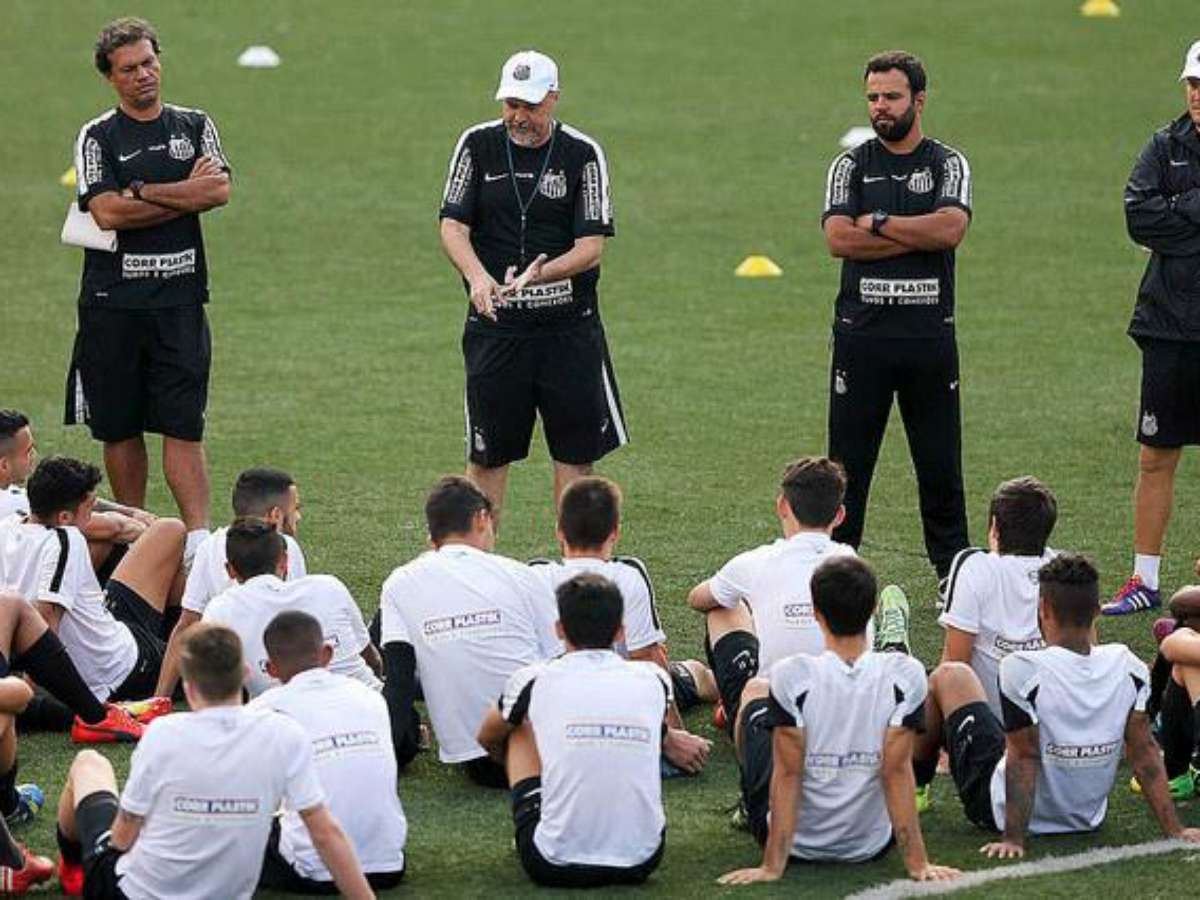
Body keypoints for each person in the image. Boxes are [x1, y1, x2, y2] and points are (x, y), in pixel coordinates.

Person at [66, 17, 232, 556]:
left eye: (149, 62)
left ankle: (199, 541)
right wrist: (181, 192)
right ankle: (136, 534)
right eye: (130, 68)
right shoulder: (98, 136)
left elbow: (218, 191)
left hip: (180, 301)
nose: (144, 75)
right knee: (120, 426)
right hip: (112, 304)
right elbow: (108, 211)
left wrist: (144, 189)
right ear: (111, 78)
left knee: (185, 425)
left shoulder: (193, 125)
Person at [52, 623, 374, 899]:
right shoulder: (283, 733)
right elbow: (325, 832)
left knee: (89, 763)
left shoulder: (163, 734)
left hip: (134, 891)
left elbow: (125, 832)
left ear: (188, 688)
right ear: (245, 673)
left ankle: (72, 867)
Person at [439, 49, 624, 519]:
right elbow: (452, 226)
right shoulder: (476, 145)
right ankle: (476, 570)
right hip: (497, 331)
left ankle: (573, 574)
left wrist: (540, 273)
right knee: (487, 458)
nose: (519, 117)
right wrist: (477, 277)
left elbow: (591, 247)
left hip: (568, 333)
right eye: (511, 105)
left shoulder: (582, 154)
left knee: (575, 461)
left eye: (530, 106)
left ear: (554, 98)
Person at [912, 554, 1200, 857]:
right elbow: (1144, 752)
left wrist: (1013, 839)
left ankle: (916, 787)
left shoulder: (1021, 668)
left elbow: (1023, 756)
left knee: (948, 676)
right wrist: (1175, 830)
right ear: (1097, 611)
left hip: (997, 809)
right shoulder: (1128, 666)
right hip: (1085, 817)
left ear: (1043, 609)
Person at [821, 50, 972, 580]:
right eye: (873, 98)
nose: (880, 108)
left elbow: (950, 230)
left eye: (891, 97)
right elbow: (839, 239)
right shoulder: (851, 165)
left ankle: (951, 578)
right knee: (847, 471)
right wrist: (915, 235)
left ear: (919, 100)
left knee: (939, 468)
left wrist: (880, 222)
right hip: (861, 341)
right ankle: (839, 574)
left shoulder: (947, 164)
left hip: (928, 340)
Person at [718, 556, 958, 885]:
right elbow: (896, 770)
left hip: (798, 847)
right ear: (874, 609)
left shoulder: (792, 676)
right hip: (870, 845)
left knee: (754, 693)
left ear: (816, 613)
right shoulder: (905, 674)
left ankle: (748, 807)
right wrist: (919, 864)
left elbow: (788, 773)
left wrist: (772, 867)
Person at [477, 574, 670, 887]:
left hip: (551, 862)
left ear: (559, 630)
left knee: (517, 728)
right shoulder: (655, 678)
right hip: (643, 859)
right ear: (621, 631)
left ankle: (542, 809)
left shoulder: (534, 678)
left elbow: (486, 735)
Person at [378, 475, 560, 783]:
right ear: (482, 518)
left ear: (431, 535)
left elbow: (398, 680)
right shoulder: (521, 575)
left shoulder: (399, 583)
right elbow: (565, 660)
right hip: (547, 748)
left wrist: (384, 753)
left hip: (480, 764)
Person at [687, 457, 882, 732]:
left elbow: (698, 598)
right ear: (839, 515)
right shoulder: (854, 563)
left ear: (782, 506)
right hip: (849, 720)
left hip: (772, 722)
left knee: (723, 606)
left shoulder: (756, 562)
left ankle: (736, 706)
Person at [1107, 40, 1200, 615]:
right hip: (1168, 327)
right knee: (1155, 455)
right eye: (1193, 85)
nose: (1198, 95)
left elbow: (1160, 222)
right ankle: (1144, 579)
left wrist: (1179, 212)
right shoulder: (1164, 146)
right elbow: (1138, 215)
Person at [529, 476, 717, 719]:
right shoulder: (628, 574)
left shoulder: (534, 575)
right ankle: (734, 699)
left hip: (557, 701)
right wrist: (673, 734)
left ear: (559, 531)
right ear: (615, 531)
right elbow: (647, 657)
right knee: (696, 673)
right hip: (621, 697)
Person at [0, 457, 183, 707]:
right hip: (121, 668)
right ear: (64, 516)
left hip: (111, 627)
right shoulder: (67, 540)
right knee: (204, 662)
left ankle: (172, 631)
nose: (93, 514)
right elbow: (46, 625)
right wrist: (30, 698)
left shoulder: (8, 527)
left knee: (169, 530)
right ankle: (179, 634)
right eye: (90, 507)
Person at [252, 611, 406, 893]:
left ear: (270, 669)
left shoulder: (263, 709)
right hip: (389, 864)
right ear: (327, 654)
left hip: (316, 869)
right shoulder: (370, 697)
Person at [155, 467, 306, 697]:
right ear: (276, 515)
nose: (298, 517)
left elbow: (186, 624)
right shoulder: (287, 547)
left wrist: (159, 699)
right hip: (278, 677)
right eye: (295, 509)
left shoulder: (209, 547)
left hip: (227, 676)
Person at [201, 520, 380, 697]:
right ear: (284, 560)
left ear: (230, 569)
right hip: (374, 709)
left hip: (286, 717)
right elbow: (371, 659)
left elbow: (213, 688)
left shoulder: (220, 611)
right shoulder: (329, 587)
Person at [937, 476, 1057, 717]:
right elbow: (1083, 653)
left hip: (986, 729)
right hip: (1050, 727)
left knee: (935, 678)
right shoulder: (1063, 569)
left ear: (994, 527)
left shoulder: (973, 566)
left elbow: (955, 662)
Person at [0, 410, 157, 578]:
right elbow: (113, 528)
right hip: (28, 595)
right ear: (4, 465)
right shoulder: (12, 504)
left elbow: (77, 499)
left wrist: (131, 512)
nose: (34, 457)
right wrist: (155, 530)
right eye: (28, 451)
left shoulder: (11, 494)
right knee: (99, 542)